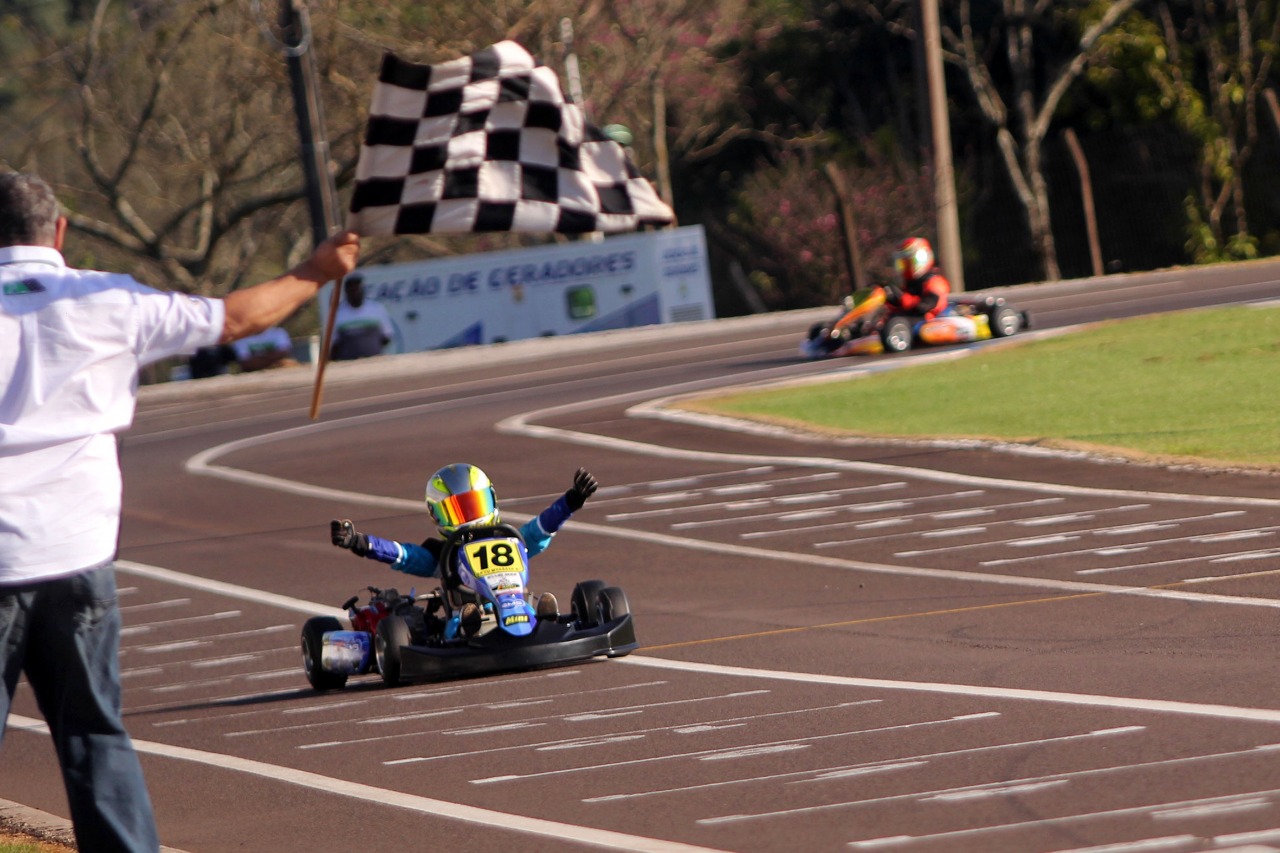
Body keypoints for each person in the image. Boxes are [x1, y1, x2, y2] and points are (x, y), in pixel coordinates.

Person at [0, 171, 360, 852]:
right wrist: (314, 272)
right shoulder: (104, 298)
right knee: (95, 735)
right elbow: (235, 319)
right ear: (59, 230)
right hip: (77, 553)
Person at [330, 464, 598, 636]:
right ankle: (478, 625)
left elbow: (541, 528)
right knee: (453, 625)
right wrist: (360, 542)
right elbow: (403, 554)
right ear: (438, 515)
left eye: (475, 504)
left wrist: (571, 500)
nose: (470, 517)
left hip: (516, 611)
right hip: (463, 627)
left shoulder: (510, 539)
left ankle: (536, 617)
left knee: (592, 594)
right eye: (458, 510)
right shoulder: (443, 554)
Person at [884, 236, 951, 321]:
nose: (908, 266)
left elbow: (925, 306)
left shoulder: (935, 282)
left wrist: (902, 298)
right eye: (904, 263)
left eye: (910, 262)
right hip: (909, 323)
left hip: (931, 322)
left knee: (898, 322)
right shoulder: (909, 285)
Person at [330, 274, 394, 360]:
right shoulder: (338, 314)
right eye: (352, 290)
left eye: (358, 289)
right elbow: (335, 343)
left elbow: (387, 336)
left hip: (374, 361)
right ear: (346, 292)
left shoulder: (376, 309)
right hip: (349, 363)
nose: (355, 293)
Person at [230, 325, 298, 372]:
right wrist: (273, 359)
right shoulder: (240, 338)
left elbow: (284, 352)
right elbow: (245, 363)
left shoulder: (279, 332)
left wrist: (258, 359)